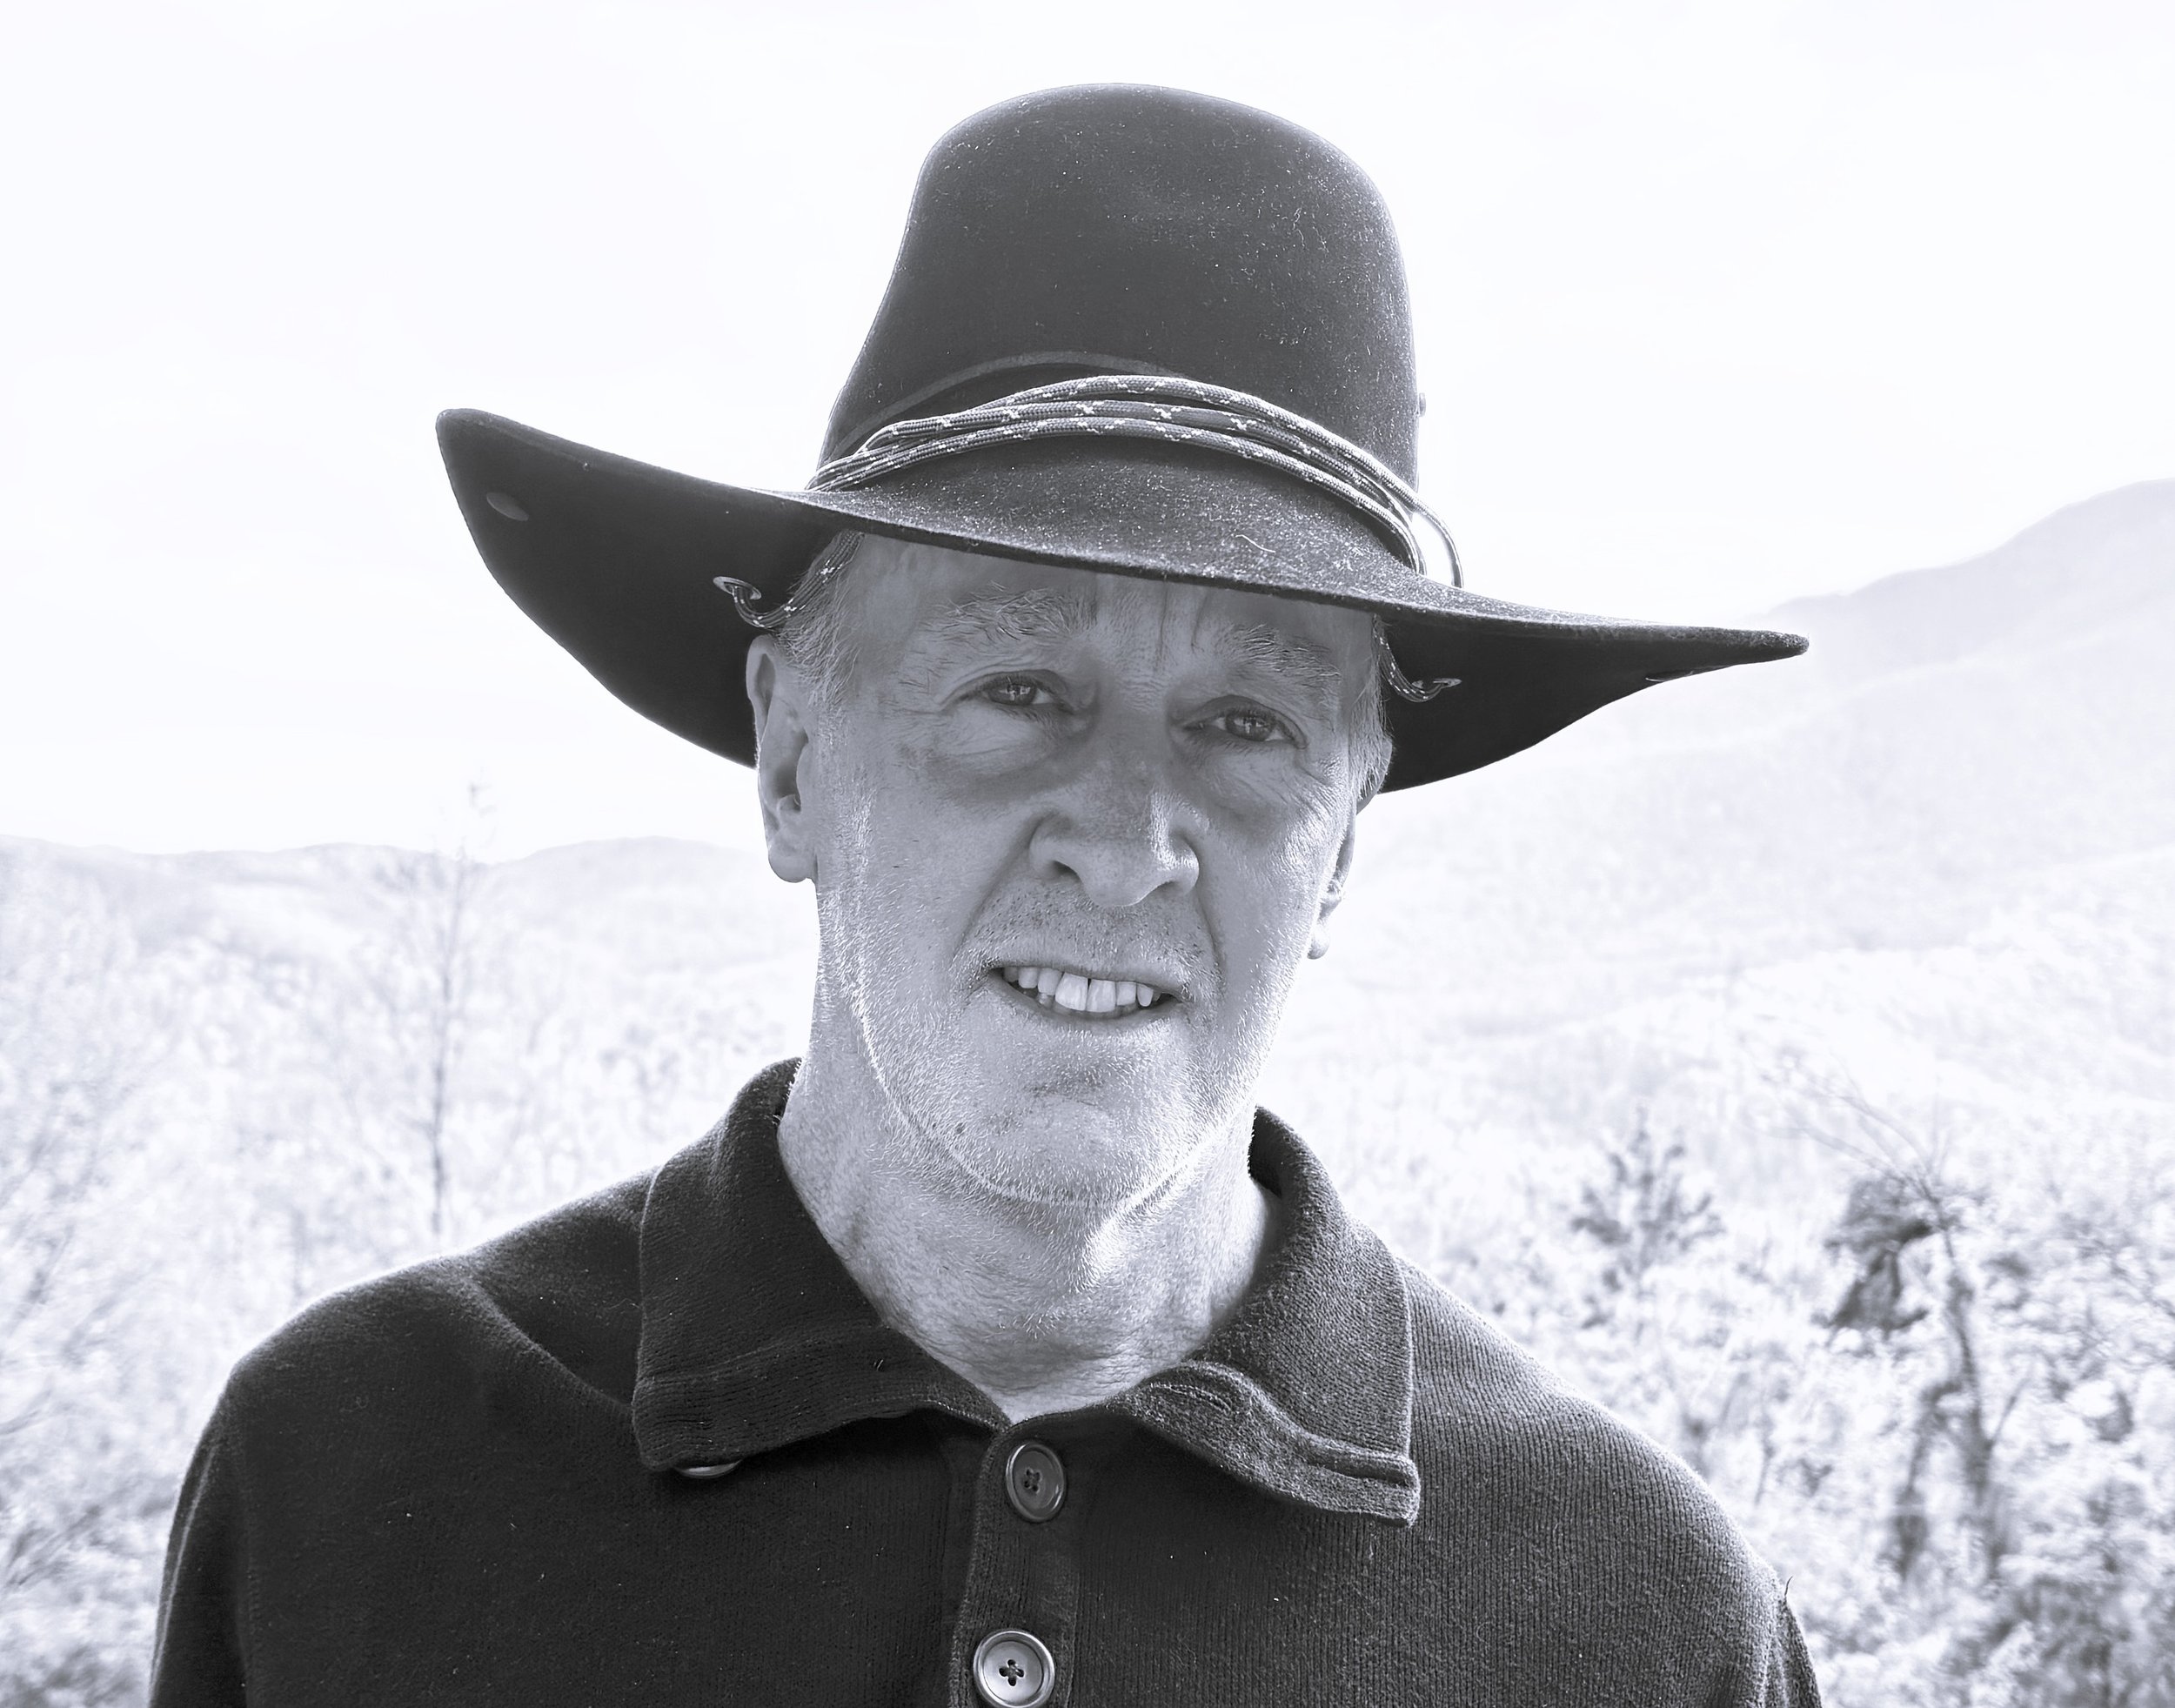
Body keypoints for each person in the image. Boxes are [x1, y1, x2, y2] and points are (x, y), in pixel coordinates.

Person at [151, 85, 1822, 1706]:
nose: (1127, 843)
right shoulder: (353, 1476)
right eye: (1019, 691)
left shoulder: (1644, 1619)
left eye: (1247, 726)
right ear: (792, 762)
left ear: (1344, 845)